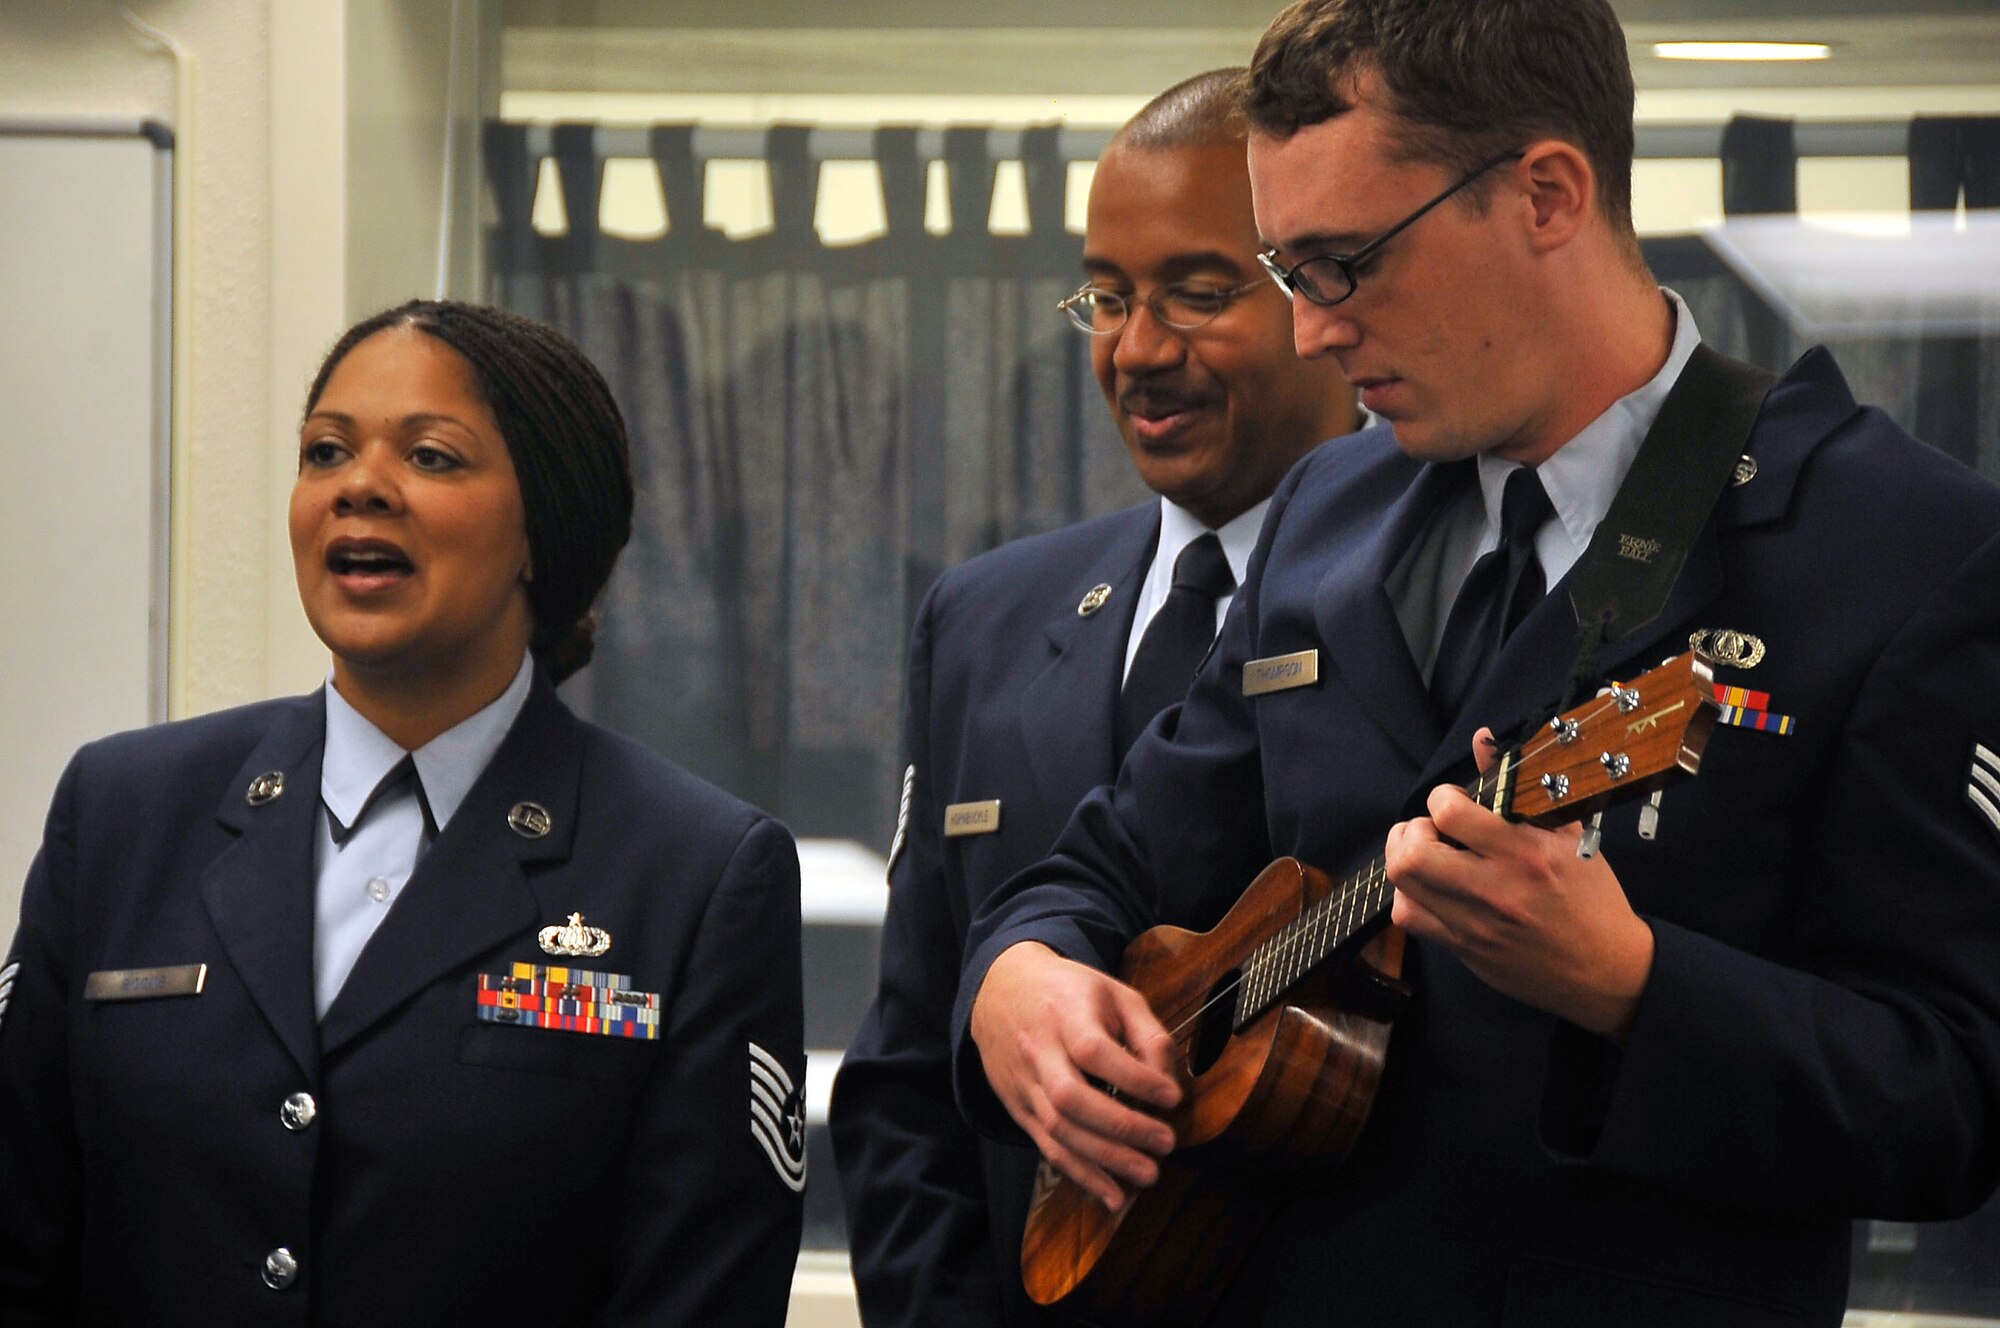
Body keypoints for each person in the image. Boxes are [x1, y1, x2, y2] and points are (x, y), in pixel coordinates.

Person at [957, 3, 2000, 1325]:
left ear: (1547, 194)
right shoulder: (1328, 511)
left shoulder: (1894, 550)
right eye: (1286, 272)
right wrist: (1019, 976)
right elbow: (1111, 862)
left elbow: (1955, 1095)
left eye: (1343, 265)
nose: (1313, 332)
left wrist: (1637, 988)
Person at [0, 300, 807, 1325]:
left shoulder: (691, 872)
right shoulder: (123, 813)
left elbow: (700, 1294)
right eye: (325, 450)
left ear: (539, 529)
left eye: (429, 456)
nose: (359, 485)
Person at [830, 70, 1358, 1328]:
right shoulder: (985, 618)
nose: (1135, 350)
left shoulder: (1433, 599)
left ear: (1318, 286)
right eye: (1108, 297)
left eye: (1193, 291)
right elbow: (906, 1070)